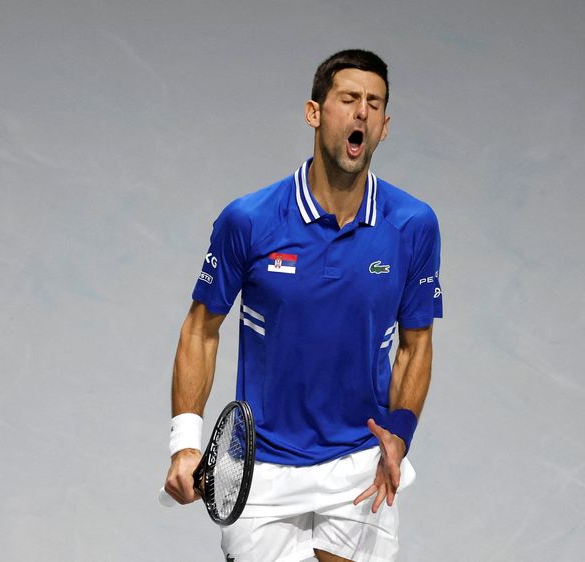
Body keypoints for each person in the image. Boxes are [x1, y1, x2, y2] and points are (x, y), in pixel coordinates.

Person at [163, 49, 443, 562]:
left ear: (383, 126)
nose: (362, 112)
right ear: (315, 113)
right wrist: (185, 440)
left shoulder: (412, 225)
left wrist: (399, 436)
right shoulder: (248, 221)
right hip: (261, 468)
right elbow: (200, 330)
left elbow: (415, 344)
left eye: (374, 104)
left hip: (359, 465)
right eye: (349, 99)